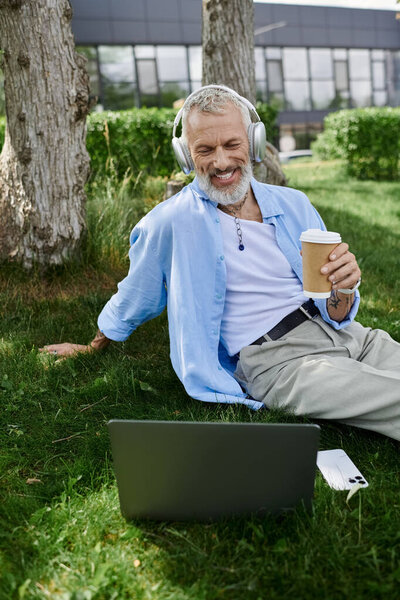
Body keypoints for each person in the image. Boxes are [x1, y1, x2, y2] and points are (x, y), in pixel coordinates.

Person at [40, 85, 400, 441]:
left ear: (253, 143)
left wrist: (344, 288)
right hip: (282, 364)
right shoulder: (171, 222)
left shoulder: (294, 204)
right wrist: (94, 344)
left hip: (348, 335)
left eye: (232, 145)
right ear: (185, 156)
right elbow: (137, 293)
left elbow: (336, 311)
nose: (222, 162)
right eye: (205, 150)